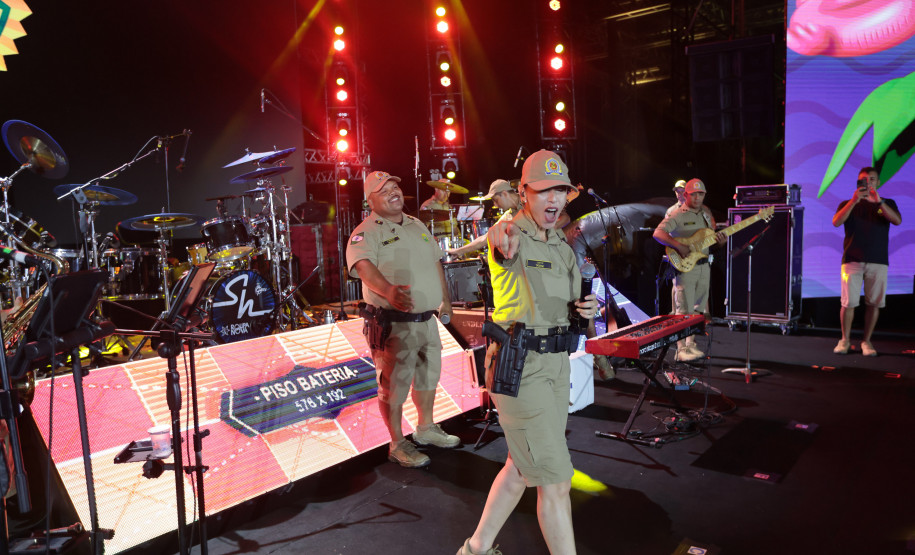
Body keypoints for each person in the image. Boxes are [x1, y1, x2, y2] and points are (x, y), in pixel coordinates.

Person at [458, 150, 599, 555]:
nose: (553, 199)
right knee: (555, 481)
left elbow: (565, 301)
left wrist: (582, 309)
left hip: (555, 364)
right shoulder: (511, 231)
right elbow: (501, 242)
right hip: (520, 368)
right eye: (542, 191)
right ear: (523, 193)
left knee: (521, 467)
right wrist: (499, 234)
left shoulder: (558, 240)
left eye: (560, 190)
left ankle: (476, 548)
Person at [346, 170, 458, 468]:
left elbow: (435, 262)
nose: (394, 191)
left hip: (427, 320)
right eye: (385, 190)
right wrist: (388, 291)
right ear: (370, 200)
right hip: (393, 322)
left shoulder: (416, 223)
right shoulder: (366, 231)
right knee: (394, 384)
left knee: (427, 375)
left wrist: (444, 299)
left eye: (396, 185)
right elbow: (363, 267)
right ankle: (397, 443)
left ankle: (426, 427)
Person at [652, 178, 726, 362]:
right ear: (685, 195)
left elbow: (711, 237)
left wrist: (721, 241)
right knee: (682, 309)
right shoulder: (675, 213)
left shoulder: (706, 213)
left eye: (701, 194)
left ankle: (690, 345)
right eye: (694, 194)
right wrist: (678, 245)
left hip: (702, 265)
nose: (698, 197)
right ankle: (680, 348)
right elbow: (658, 233)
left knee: (697, 310)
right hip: (685, 268)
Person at [831, 166, 901, 356]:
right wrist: (854, 201)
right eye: (864, 179)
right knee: (848, 303)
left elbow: (896, 221)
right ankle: (844, 340)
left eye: (872, 179)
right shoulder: (849, 203)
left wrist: (879, 203)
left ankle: (867, 342)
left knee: (874, 303)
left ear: (878, 182)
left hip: (878, 260)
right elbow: (836, 222)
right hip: (852, 259)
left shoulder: (887, 203)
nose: (868, 182)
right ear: (858, 182)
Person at [447, 179, 520, 259]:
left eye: (496, 200)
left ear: (505, 194)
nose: (495, 205)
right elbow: (485, 237)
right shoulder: (509, 215)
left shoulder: (529, 202)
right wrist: (459, 251)